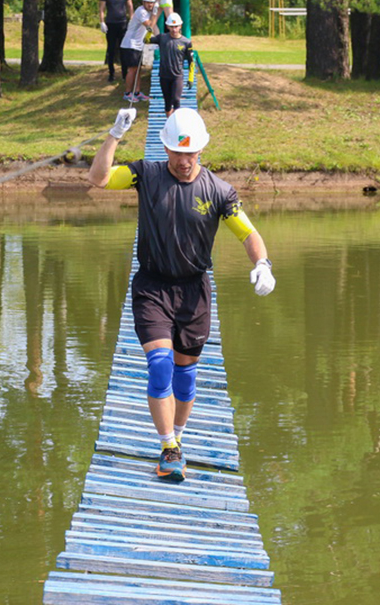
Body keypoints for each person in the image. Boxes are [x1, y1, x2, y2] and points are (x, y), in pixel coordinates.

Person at [88, 107, 276, 481]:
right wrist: (115, 135)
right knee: (160, 366)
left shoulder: (219, 191)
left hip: (194, 292)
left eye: (191, 153)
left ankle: (178, 438)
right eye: (178, 152)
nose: (185, 160)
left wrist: (263, 263)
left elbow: (248, 233)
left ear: (202, 150)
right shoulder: (146, 174)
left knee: (185, 378)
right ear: (166, 149)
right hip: (152, 287)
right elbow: (99, 178)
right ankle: (168, 446)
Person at [151, 12, 193, 117]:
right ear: (168, 26)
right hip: (164, 75)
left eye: (176, 26)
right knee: (168, 103)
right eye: (172, 26)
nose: (174, 29)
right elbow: (146, 40)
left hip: (177, 76)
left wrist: (191, 78)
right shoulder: (162, 38)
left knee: (176, 100)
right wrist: (148, 31)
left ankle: (176, 123)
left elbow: (191, 61)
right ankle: (169, 124)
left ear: (180, 26)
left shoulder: (186, 42)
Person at [119, 0, 159, 103]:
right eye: (148, 3)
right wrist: (155, 13)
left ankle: (137, 92)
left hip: (138, 45)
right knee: (132, 69)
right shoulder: (141, 11)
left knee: (138, 70)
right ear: (143, 2)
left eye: (152, 3)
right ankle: (127, 93)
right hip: (130, 44)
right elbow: (150, 27)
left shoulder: (147, 13)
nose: (150, 5)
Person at [98, 0, 133, 83]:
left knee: (123, 49)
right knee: (111, 49)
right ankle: (111, 73)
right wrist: (102, 22)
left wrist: (131, 19)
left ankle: (124, 73)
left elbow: (129, 6)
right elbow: (102, 8)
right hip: (110, 24)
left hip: (122, 23)